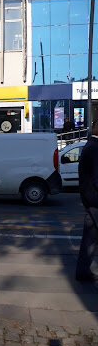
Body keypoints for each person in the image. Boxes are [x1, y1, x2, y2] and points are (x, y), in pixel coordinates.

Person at [76, 119, 98, 282]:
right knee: (90, 240)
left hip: (90, 201)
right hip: (95, 201)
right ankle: (83, 271)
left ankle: (83, 271)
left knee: (90, 240)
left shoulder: (89, 146)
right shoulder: (95, 148)